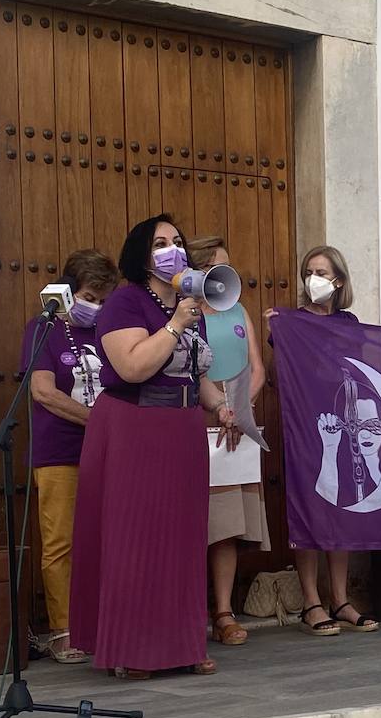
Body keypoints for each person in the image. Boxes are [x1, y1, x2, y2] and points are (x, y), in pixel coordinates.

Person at [69, 214, 237, 678]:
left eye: (177, 241)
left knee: (182, 539)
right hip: (133, 426)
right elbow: (132, 368)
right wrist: (176, 324)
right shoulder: (124, 303)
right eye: (161, 242)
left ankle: (183, 643)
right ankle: (133, 649)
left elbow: (198, 375)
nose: (172, 249)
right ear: (143, 255)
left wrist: (222, 408)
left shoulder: (189, 304)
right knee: (135, 538)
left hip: (181, 430)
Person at [265, 245, 379, 636]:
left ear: (339, 281)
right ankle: (312, 601)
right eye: (309, 271)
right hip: (306, 428)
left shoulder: (349, 323)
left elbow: (358, 370)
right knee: (310, 508)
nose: (313, 278)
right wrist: (276, 331)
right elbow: (280, 374)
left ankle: (341, 599)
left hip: (344, 423)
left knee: (340, 507)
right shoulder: (291, 321)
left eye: (322, 272)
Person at [22, 249, 119, 664]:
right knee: (61, 541)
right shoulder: (42, 330)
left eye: (102, 298)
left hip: (107, 453)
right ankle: (63, 629)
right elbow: (43, 391)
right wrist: (95, 421)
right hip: (59, 451)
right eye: (89, 295)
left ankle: (103, 625)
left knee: (105, 539)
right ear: (67, 291)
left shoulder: (109, 332)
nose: (94, 306)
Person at [186, 236, 269, 646]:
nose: (227, 275)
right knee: (191, 518)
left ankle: (222, 611)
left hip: (236, 417)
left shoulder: (237, 309)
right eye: (219, 266)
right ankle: (187, 612)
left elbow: (257, 369)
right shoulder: (181, 312)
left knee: (226, 523)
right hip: (193, 415)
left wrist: (239, 409)